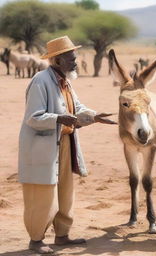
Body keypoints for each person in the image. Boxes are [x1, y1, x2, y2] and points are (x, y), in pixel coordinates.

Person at [18, 36, 116, 254]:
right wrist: (59, 118)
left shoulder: (66, 81)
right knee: (42, 195)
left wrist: (94, 116)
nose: (75, 61)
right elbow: (33, 117)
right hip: (43, 148)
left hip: (64, 144)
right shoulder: (40, 81)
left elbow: (77, 107)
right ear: (58, 60)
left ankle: (62, 236)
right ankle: (36, 240)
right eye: (71, 58)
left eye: (75, 56)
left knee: (65, 193)